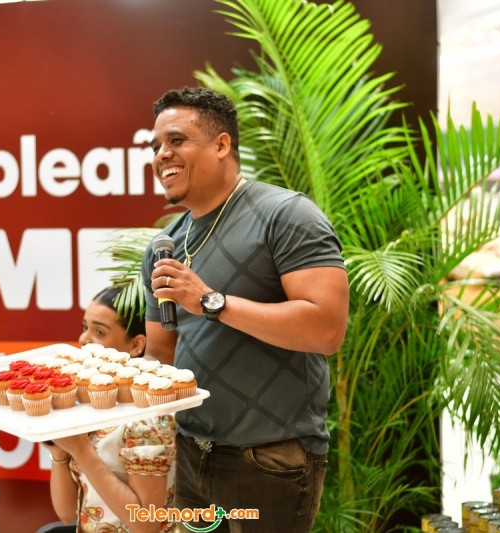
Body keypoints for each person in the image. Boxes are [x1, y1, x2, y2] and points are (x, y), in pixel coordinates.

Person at [141, 86, 349, 532]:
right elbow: (160, 354)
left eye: (176, 140)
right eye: (156, 146)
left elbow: (326, 330)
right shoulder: (164, 246)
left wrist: (210, 302)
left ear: (222, 144)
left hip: (270, 459)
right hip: (191, 451)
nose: (161, 155)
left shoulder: (286, 215)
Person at [43, 285, 176, 533]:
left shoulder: (148, 417)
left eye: (99, 332)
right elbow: (67, 514)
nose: (83, 339)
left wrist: (81, 451)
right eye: (84, 327)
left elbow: (147, 524)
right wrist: (59, 452)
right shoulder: (86, 403)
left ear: (136, 345)